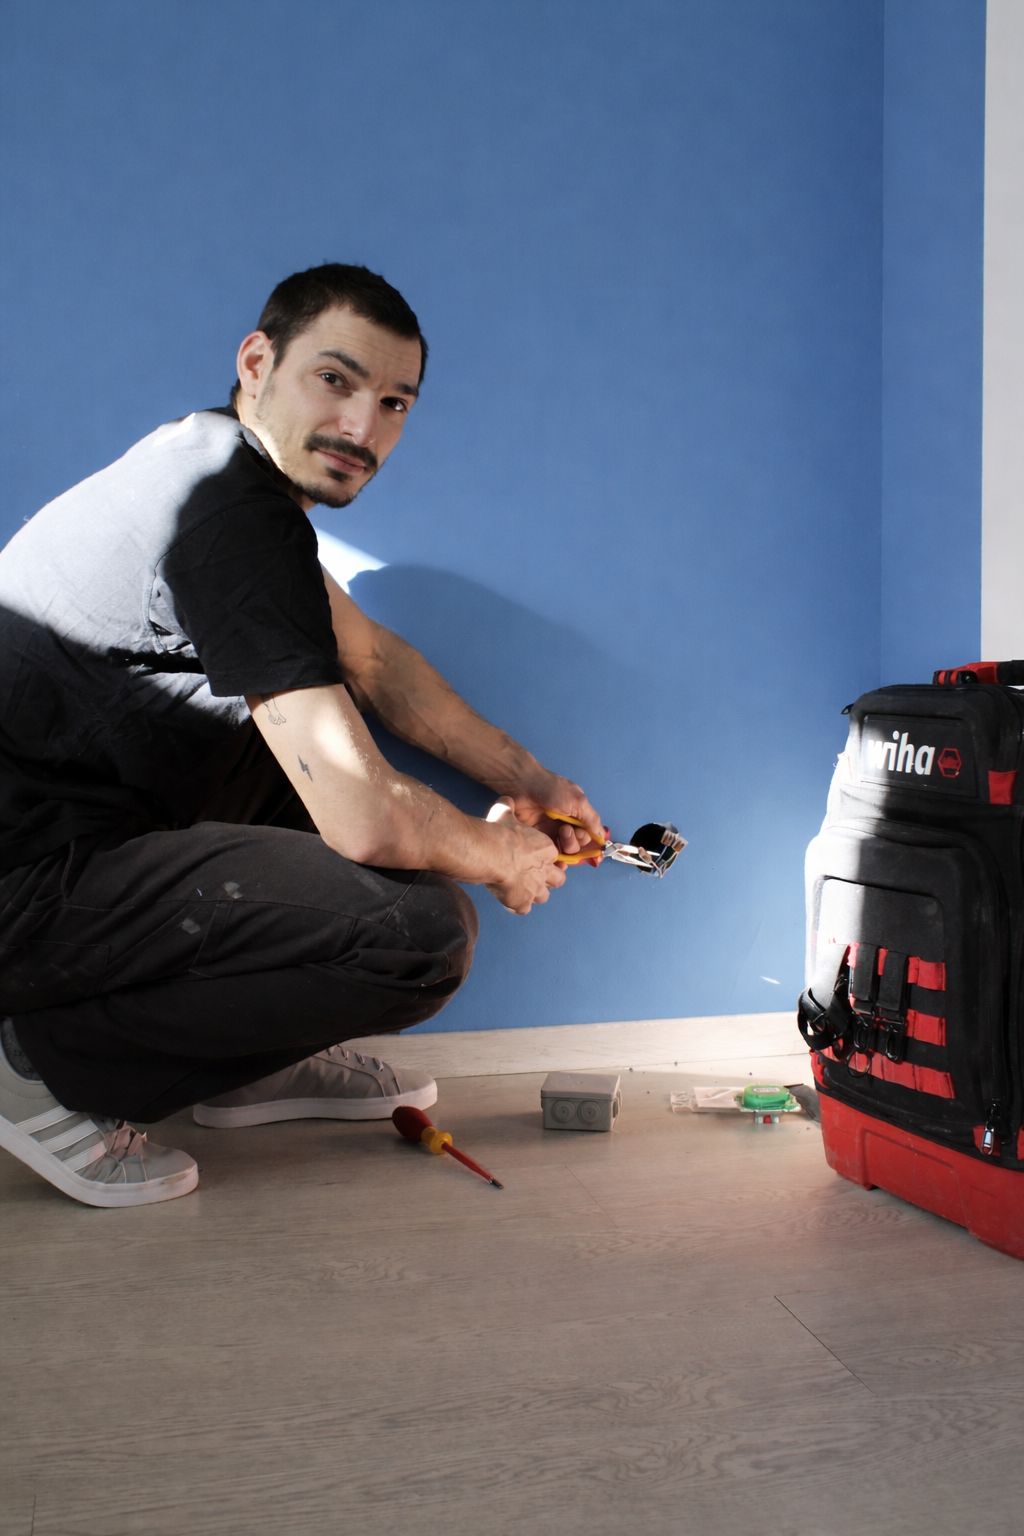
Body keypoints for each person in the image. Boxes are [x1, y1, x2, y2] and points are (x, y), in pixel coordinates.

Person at [0, 263, 604, 1208]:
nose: (364, 428)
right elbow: (365, 819)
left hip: (74, 833)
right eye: (337, 379)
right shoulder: (228, 519)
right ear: (258, 362)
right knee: (420, 936)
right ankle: (34, 1067)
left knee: (310, 730)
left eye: (394, 401)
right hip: (25, 884)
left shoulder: (211, 470)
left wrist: (528, 778)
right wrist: (498, 856)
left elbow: (372, 663)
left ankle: (241, 1067)